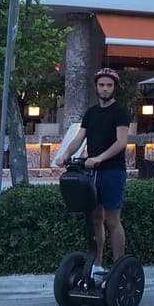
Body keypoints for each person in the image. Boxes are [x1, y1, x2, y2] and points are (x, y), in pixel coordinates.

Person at [56, 68, 130, 284]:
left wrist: (100, 157)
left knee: (112, 220)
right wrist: (65, 154)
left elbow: (121, 142)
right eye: (101, 85)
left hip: (113, 171)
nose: (105, 88)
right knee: (95, 218)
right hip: (91, 172)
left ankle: (118, 267)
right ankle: (97, 265)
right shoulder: (91, 113)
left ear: (114, 87)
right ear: (96, 87)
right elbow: (79, 138)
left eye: (109, 85)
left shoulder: (120, 112)